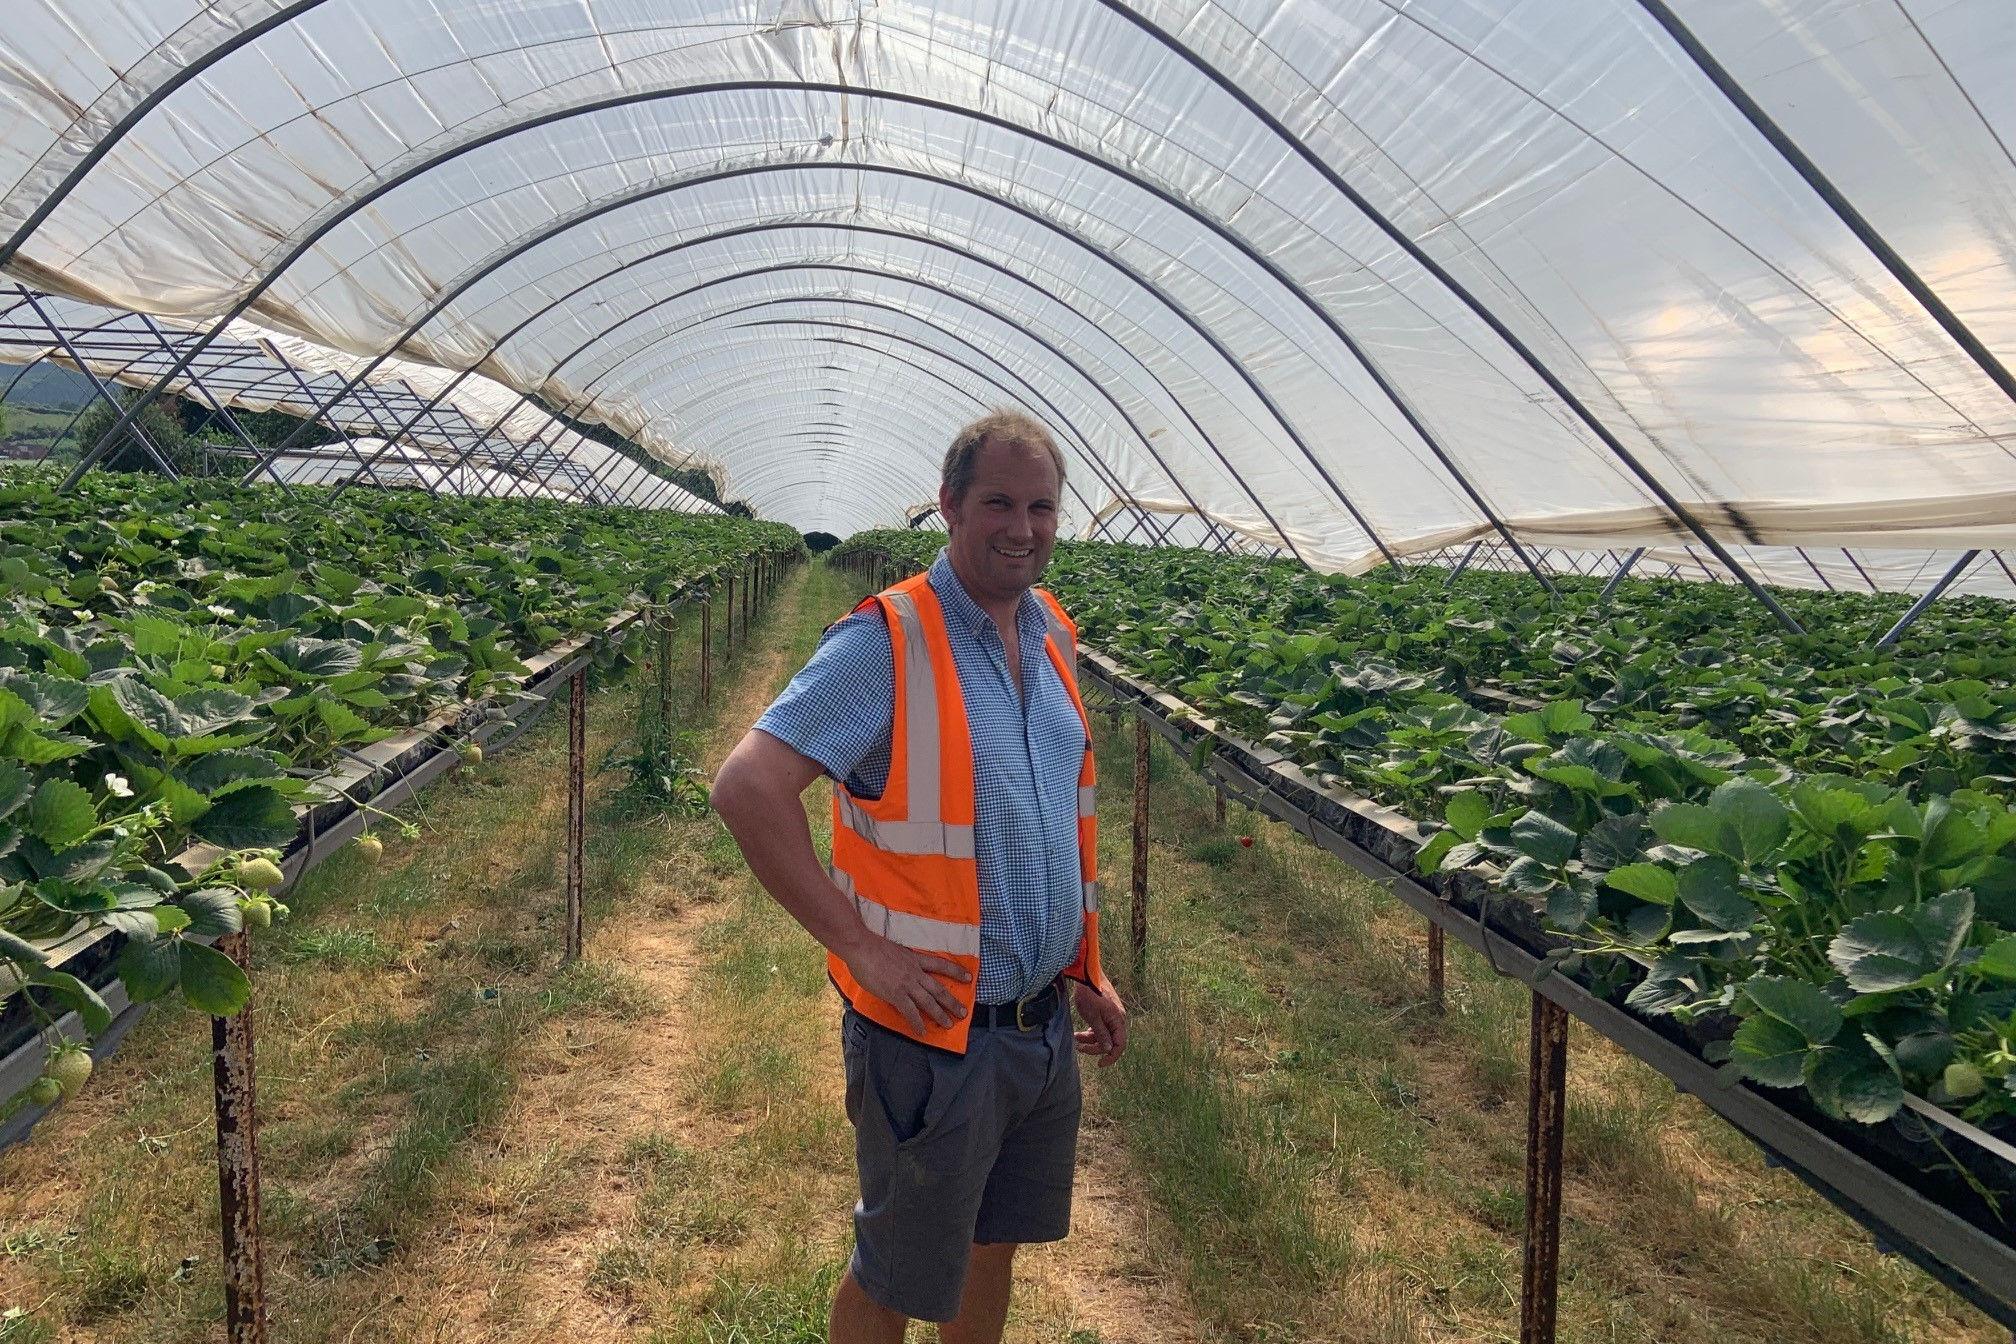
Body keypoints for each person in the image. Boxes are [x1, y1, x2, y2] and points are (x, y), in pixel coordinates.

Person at [711, 409, 1129, 1344]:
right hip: (933, 1032)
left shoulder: (1052, 632)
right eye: (997, 504)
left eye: (1041, 507)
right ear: (947, 507)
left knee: (990, 1248)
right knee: (899, 1269)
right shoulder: (887, 640)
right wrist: (859, 945)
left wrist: (1085, 968)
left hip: (1037, 1026)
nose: (1021, 527)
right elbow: (747, 787)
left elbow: (1048, 820)